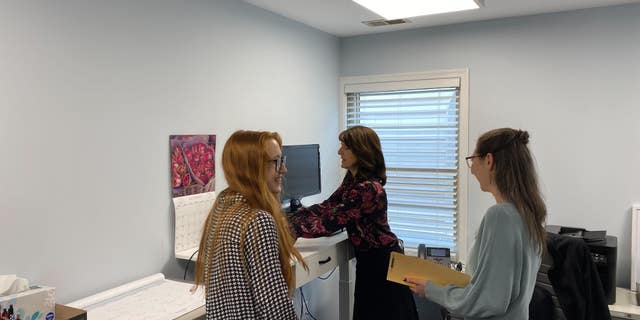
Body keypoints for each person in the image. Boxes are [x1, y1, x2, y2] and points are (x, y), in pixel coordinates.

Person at [405, 128, 547, 319]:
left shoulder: (501, 216)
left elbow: (490, 300)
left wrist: (431, 290)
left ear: (489, 160)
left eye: (473, 159)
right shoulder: (529, 213)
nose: (471, 169)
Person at [288, 125, 418, 320]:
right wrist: (289, 219)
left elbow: (331, 222)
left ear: (361, 150)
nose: (339, 152)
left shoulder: (368, 189)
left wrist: (291, 228)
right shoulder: (353, 181)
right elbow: (327, 206)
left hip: (382, 263)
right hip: (370, 260)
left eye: (345, 147)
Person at [194, 130, 307, 320]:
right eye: (276, 162)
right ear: (252, 167)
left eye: (282, 160)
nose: (283, 170)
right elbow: (274, 307)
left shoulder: (222, 206)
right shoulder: (257, 220)